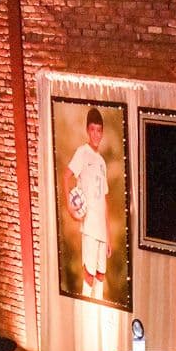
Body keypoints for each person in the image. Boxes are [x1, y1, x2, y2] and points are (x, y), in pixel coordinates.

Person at [65, 107, 111, 299]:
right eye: (92, 129)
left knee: (101, 275)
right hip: (90, 226)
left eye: (99, 130)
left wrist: (109, 236)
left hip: (101, 229)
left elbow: (104, 199)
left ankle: (97, 310)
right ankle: (85, 311)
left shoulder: (102, 162)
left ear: (102, 132)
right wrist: (70, 207)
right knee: (89, 276)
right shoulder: (82, 153)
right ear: (87, 130)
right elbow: (66, 176)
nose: (96, 134)